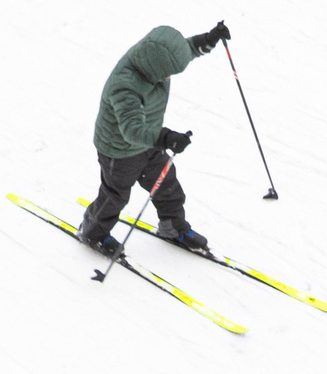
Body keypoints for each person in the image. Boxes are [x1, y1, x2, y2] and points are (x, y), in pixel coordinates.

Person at [77, 22, 232, 258]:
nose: (169, 77)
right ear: (155, 67)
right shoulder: (125, 86)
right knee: (115, 196)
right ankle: (92, 232)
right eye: (168, 72)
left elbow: (184, 51)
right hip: (119, 150)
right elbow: (131, 130)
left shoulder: (152, 60)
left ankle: (172, 227)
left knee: (167, 185)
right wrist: (166, 138)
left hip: (149, 142)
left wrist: (208, 39)